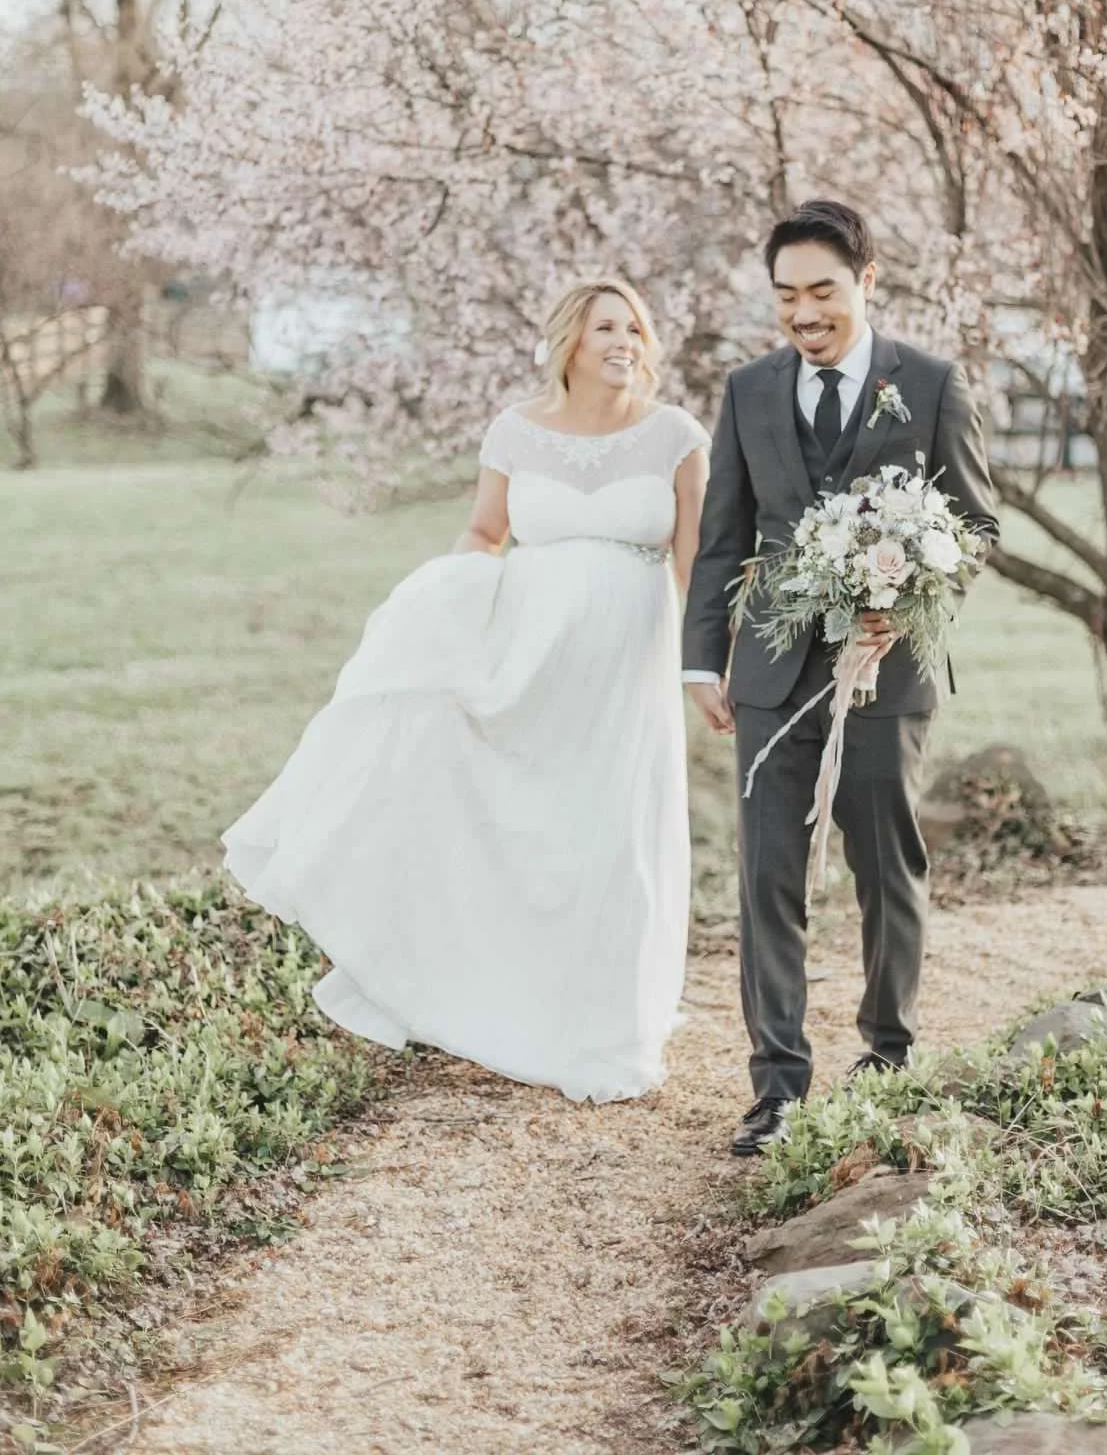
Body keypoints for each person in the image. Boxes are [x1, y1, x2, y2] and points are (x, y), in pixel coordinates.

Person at [224, 278, 711, 1105]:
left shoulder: (674, 436)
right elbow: (486, 533)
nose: (625, 340)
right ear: (570, 342)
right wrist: (443, 614)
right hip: (527, 658)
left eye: (635, 327)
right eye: (606, 327)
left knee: (615, 832)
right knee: (527, 822)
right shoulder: (516, 431)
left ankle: (610, 1024)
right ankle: (511, 996)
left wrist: (707, 668)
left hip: (626, 669)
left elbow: (693, 562)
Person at [681, 201, 999, 1155]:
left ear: (868, 281)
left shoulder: (933, 385)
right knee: (767, 875)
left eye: (823, 290)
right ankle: (777, 1085)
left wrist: (906, 594)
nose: (804, 312)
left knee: (883, 864)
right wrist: (704, 658)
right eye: (787, 296)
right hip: (773, 674)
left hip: (886, 672)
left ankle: (887, 1058)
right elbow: (721, 539)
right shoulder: (748, 391)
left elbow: (977, 529)